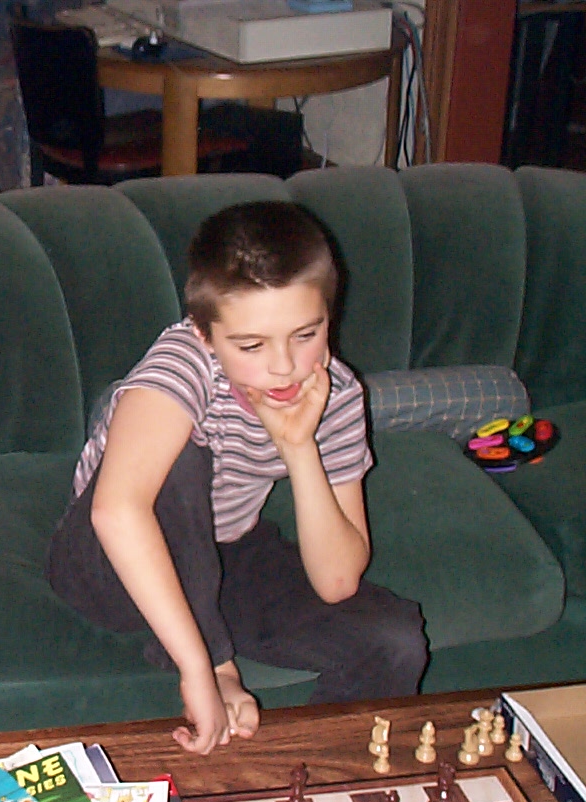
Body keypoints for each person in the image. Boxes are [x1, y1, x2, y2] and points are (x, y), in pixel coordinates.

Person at [44, 200, 428, 755]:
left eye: (306, 334)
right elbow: (117, 511)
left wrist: (298, 446)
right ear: (204, 333)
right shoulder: (182, 363)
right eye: (251, 345)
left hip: (224, 549)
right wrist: (208, 668)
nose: (283, 365)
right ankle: (196, 642)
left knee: (394, 639)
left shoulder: (337, 393)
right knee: (181, 456)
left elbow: (337, 581)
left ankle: (312, 781)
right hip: (105, 565)